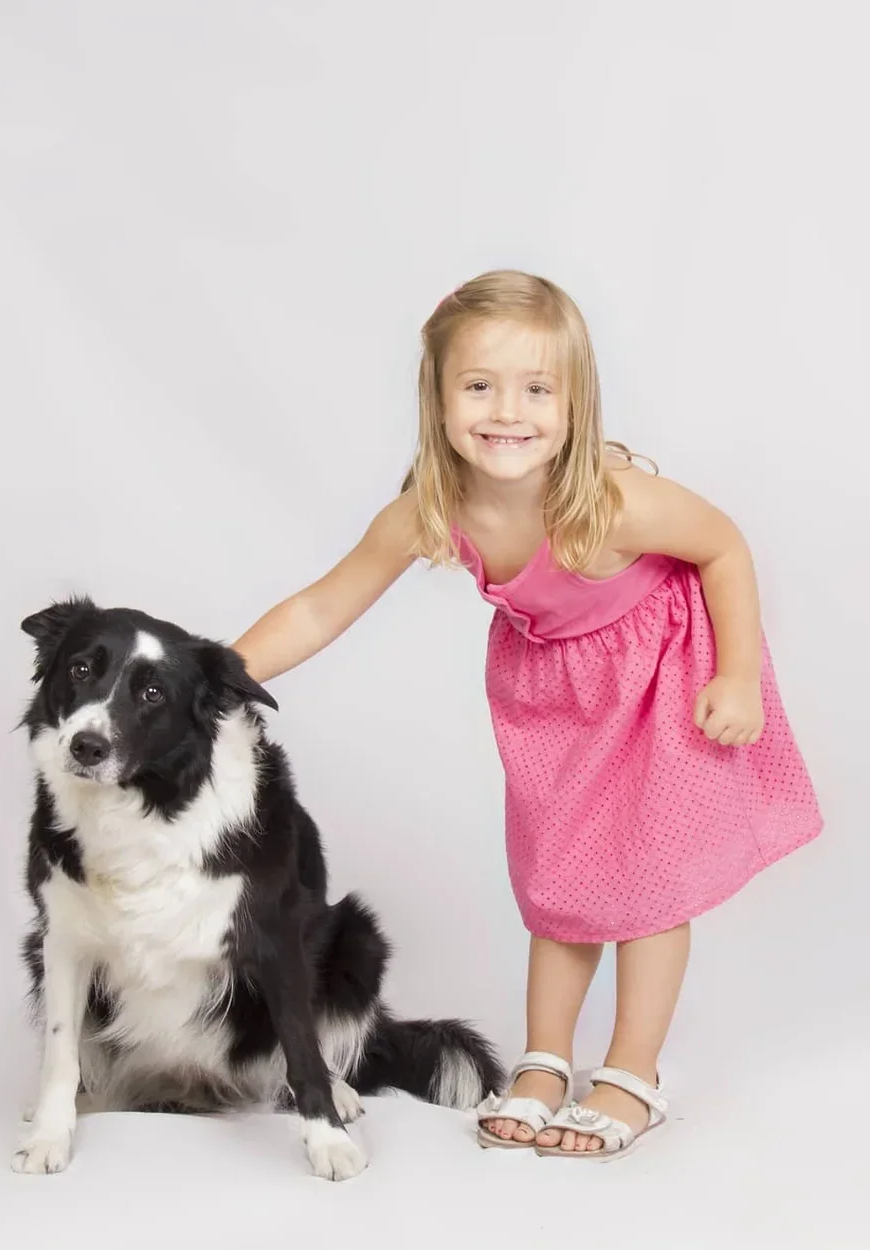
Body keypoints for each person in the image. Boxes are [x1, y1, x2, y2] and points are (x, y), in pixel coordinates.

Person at [230, 269, 822, 1159]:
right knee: (557, 876)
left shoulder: (615, 502)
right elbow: (321, 607)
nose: (508, 412)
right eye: (479, 386)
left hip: (662, 671)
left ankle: (633, 1068)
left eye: (536, 389)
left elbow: (724, 547)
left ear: (575, 402)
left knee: (649, 883)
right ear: (437, 398)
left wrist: (736, 676)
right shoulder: (431, 511)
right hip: (555, 690)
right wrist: (215, 678)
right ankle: (545, 1060)